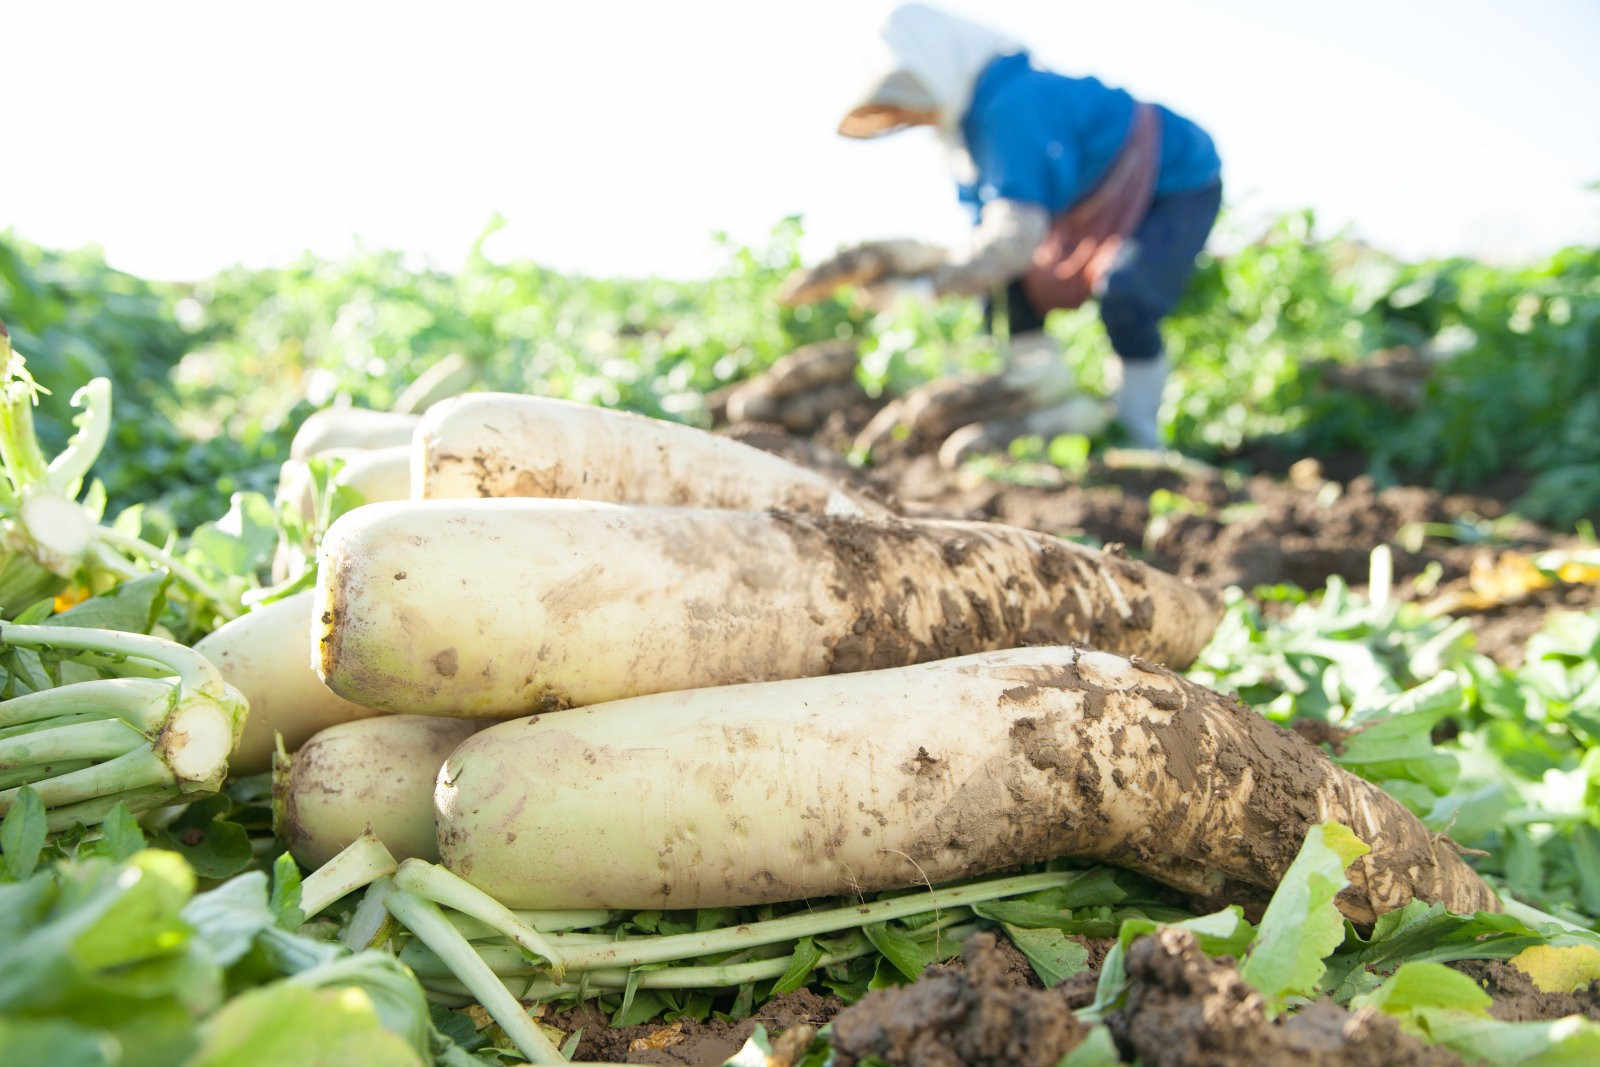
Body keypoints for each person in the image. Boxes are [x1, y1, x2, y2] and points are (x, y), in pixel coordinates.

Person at [835, 3, 1222, 451]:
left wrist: (925, 290)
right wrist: (939, 274)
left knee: (1126, 294)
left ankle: (1137, 437)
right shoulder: (966, 139)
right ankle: (1047, 404)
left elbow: (1012, 240)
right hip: (1084, 201)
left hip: (1175, 180)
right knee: (1004, 291)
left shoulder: (1013, 107)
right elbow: (987, 241)